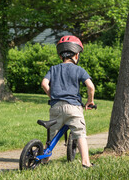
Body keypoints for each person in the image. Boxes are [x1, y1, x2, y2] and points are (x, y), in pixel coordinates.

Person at [41, 35, 95, 168]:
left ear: (61, 56)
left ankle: (44, 159)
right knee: (80, 133)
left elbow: (44, 83)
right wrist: (90, 101)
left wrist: (52, 95)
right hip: (73, 107)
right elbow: (90, 86)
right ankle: (86, 162)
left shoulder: (53, 69)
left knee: (52, 135)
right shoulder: (79, 70)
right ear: (76, 55)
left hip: (56, 107)